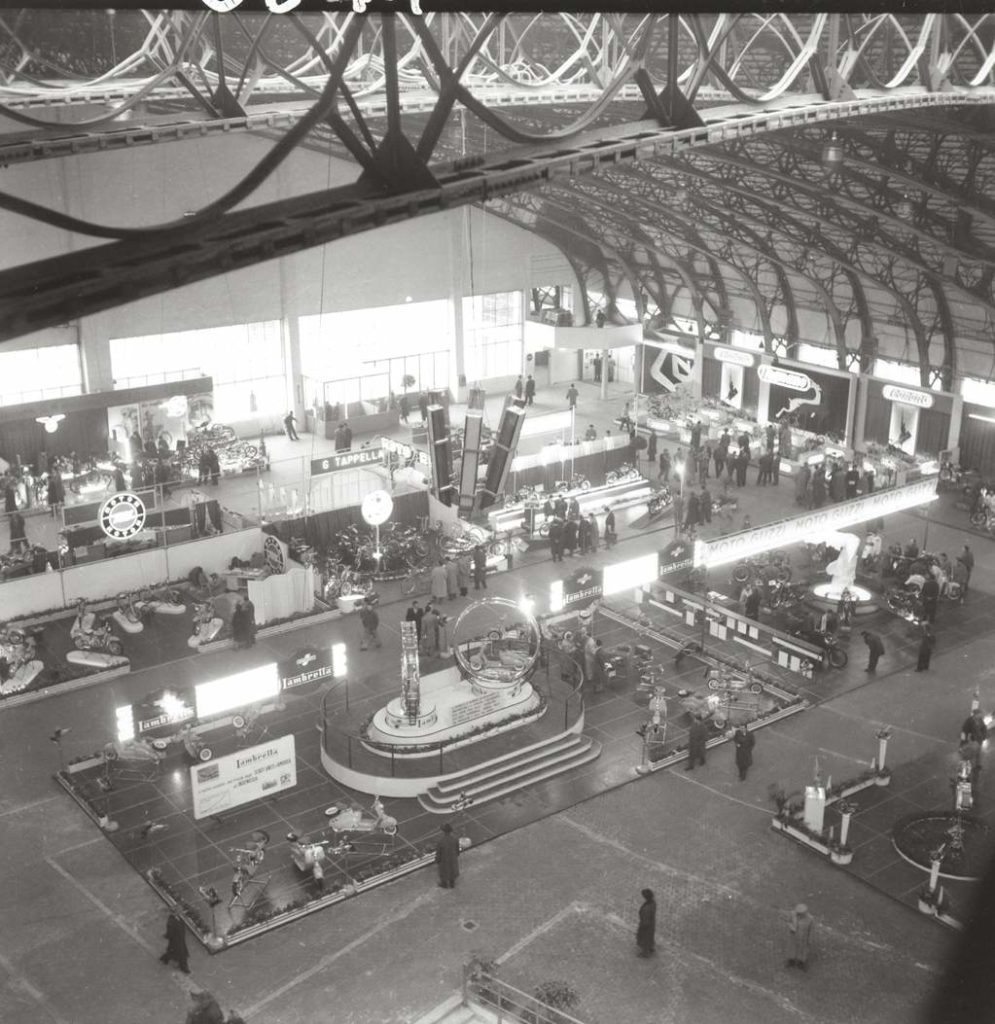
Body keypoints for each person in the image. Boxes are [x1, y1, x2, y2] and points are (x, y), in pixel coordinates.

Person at [160, 910, 190, 974]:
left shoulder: (179, 918)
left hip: (180, 940)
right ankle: (184, 968)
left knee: (173, 952)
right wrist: (167, 936)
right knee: (181, 954)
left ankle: (165, 959)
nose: (180, 913)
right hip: (175, 941)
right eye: (178, 912)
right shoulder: (171, 922)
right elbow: (170, 933)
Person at [786, 904, 814, 970]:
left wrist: (809, 940)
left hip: (803, 938)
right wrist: (791, 927)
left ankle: (801, 963)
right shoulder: (792, 914)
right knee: (792, 949)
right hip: (794, 936)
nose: (798, 915)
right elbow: (788, 921)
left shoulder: (810, 919)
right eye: (797, 913)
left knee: (802, 951)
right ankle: (791, 961)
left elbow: (811, 930)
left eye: (800, 914)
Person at [435, 822, 460, 889]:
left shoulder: (440, 841)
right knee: (452, 869)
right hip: (452, 857)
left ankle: (444, 884)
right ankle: (452, 883)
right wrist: (456, 855)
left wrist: (437, 860)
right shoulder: (455, 838)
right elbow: (457, 849)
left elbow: (438, 852)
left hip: (444, 859)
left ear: (443, 831)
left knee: (443, 871)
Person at [636, 889, 656, 958]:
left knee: (644, 939)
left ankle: (645, 953)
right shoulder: (653, 903)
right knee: (650, 937)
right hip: (651, 924)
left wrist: (641, 928)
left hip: (646, 926)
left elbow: (645, 922)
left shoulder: (646, 909)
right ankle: (651, 947)